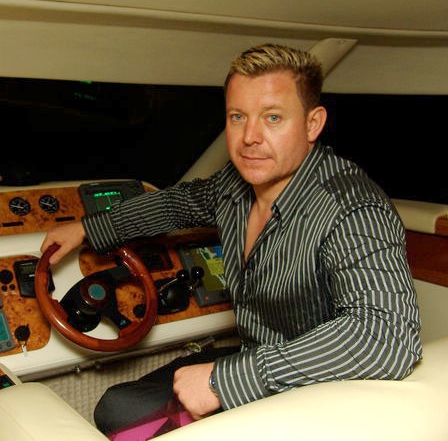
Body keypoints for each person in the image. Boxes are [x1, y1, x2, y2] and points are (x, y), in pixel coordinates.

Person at [40, 42, 423, 435]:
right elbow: (179, 204)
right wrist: (89, 228)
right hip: (255, 360)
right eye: (238, 117)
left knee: (120, 412)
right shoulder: (237, 186)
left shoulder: (353, 209)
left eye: (273, 118)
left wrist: (224, 382)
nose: (249, 137)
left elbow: (385, 336)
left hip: (319, 396)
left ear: (313, 124)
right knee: (116, 404)